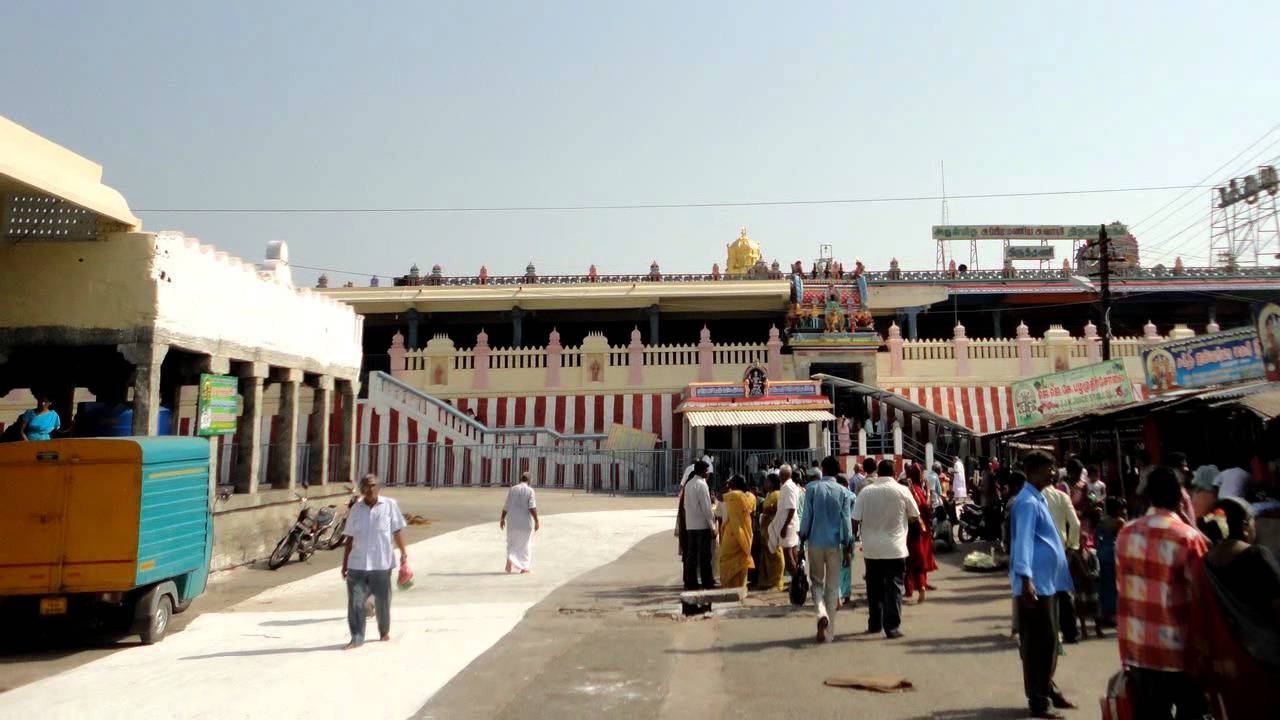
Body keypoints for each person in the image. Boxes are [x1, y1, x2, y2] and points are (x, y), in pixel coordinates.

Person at [1116, 467, 1210, 719]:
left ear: (1145, 497)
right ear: (1181, 498)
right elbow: (1201, 598)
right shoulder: (1188, 537)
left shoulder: (1126, 533)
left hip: (1140, 648)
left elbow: (1123, 588)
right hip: (1180, 651)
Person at [1187, 497, 1280, 720]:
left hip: (1224, 668)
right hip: (1264, 664)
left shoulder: (1202, 564)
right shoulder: (1257, 556)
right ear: (1245, 525)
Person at [1008, 451, 1075, 719]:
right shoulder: (1027, 503)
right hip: (1035, 585)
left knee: (1048, 640)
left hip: (1048, 583)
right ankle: (1039, 699)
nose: (1054, 472)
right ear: (1034, 470)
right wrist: (1026, 580)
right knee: (1040, 643)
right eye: (1049, 468)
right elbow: (1022, 541)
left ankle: (1047, 689)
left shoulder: (1039, 498)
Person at [852, 458, 921, 639]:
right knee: (894, 587)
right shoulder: (902, 490)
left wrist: (855, 537)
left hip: (871, 549)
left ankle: (874, 623)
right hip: (895, 548)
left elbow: (855, 518)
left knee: (873, 588)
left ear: (878, 472)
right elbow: (915, 513)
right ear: (895, 474)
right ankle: (891, 627)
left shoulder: (866, 492)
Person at [341, 474, 408, 649]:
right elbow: (349, 538)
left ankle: (383, 630)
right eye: (366, 486)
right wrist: (344, 565)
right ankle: (356, 637)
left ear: (379, 487)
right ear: (361, 489)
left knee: (382, 601)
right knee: (356, 601)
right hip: (357, 564)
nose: (369, 489)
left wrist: (403, 554)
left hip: (381, 563)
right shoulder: (356, 508)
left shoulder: (389, 505)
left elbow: (397, 531)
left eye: (373, 486)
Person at [799, 456, 853, 643]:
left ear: (822, 468)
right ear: (837, 471)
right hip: (835, 544)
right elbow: (846, 522)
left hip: (814, 542)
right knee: (832, 587)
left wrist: (802, 536)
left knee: (816, 582)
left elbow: (807, 517)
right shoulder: (843, 492)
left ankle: (820, 613)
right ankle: (829, 631)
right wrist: (848, 546)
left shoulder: (812, 489)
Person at [1040, 477, 1082, 644]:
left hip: (1039, 550)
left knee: (1043, 594)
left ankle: (1047, 633)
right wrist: (1072, 546)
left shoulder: (1033, 498)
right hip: (1060, 550)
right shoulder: (1062, 497)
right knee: (1064, 593)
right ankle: (1071, 632)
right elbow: (1076, 524)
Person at [903, 464, 938, 604]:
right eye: (921, 473)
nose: (923, 476)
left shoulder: (913, 490)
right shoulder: (915, 490)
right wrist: (928, 492)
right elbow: (926, 507)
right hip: (921, 530)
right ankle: (920, 585)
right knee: (919, 559)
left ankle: (916, 586)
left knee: (913, 560)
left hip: (915, 530)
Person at [681, 460, 717, 590]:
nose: (708, 473)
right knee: (704, 556)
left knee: (691, 555)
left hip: (691, 525)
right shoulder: (702, 484)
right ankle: (707, 582)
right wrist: (712, 526)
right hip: (702, 525)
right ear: (701, 471)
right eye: (707, 471)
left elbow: (685, 506)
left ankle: (691, 582)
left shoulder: (689, 484)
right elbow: (706, 507)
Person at [718, 474, 756, 589]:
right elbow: (753, 516)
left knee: (726, 558)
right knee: (742, 559)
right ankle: (741, 586)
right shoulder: (751, 497)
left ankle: (729, 585)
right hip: (747, 533)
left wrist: (726, 487)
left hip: (733, 534)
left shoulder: (733, 495)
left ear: (734, 484)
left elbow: (719, 497)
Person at [1094, 496, 1126, 628]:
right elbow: (1123, 537)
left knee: (1104, 583)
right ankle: (1113, 614)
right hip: (1114, 552)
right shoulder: (1119, 521)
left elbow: (1096, 536)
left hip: (1102, 551)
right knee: (1114, 584)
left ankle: (1104, 612)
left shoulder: (1102, 521)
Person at [500, 472, 540, 573]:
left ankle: (510, 557)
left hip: (512, 521)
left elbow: (506, 505)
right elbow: (532, 507)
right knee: (525, 545)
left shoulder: (513, 489)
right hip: (524, 523)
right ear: (529, 480)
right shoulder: (530, 490)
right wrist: (536, 520)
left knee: (511, 542)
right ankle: (524, 567)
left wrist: (502, 519)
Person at [770, 465, 802, 580]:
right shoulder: (789, 486)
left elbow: (792, 508)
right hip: (790, 524)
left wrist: (784, 527)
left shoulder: (788, 487)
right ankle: (799, 580)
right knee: (793, 554)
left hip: (788, 525)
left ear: (782, 475)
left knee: (789, 558)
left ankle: (799, 581)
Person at [757, 473, 786, 591]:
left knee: (776, 555)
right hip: (766, 529)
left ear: (773, 483)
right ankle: (768, 581)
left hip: (773, 528)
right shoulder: (769, 494)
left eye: (767, 481)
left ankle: (776, 581)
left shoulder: (776, 494)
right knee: (767, 556)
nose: (765, 484)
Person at [834, 475, 855, 606]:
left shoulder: (834, 495)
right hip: (847, 534)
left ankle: (837, 594)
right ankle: (845, 594)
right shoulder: (852, 496)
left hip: (834, 534)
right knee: (846, 566)